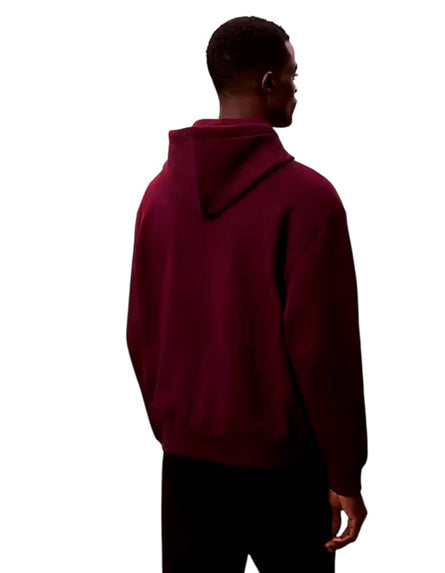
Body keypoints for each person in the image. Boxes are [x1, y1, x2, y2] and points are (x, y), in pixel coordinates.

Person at [126, 15, 368, 572]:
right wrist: (345, 471)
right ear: (267, 82)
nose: (296, 89)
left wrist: (178, 429)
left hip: (188, 469)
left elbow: (142, 333)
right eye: (292, 75)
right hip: (286, 470)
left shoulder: (158, 198)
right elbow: (325, 350)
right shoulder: (309, 199)